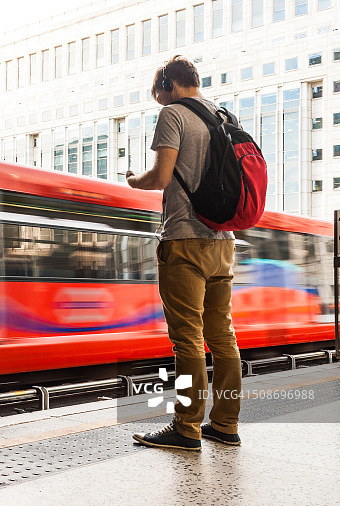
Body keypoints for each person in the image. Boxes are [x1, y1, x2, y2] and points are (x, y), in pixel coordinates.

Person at [127, 55, 242, 451]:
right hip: (223, 242)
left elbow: (161, 177)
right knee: (223, 337)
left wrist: (133, 181)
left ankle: (187, 427)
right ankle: (225, 423)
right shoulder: (223, 115)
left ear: (169, 85)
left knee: (188, 338)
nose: (160, 102)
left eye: (159, 94)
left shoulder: (174, 114)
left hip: (184, 240)